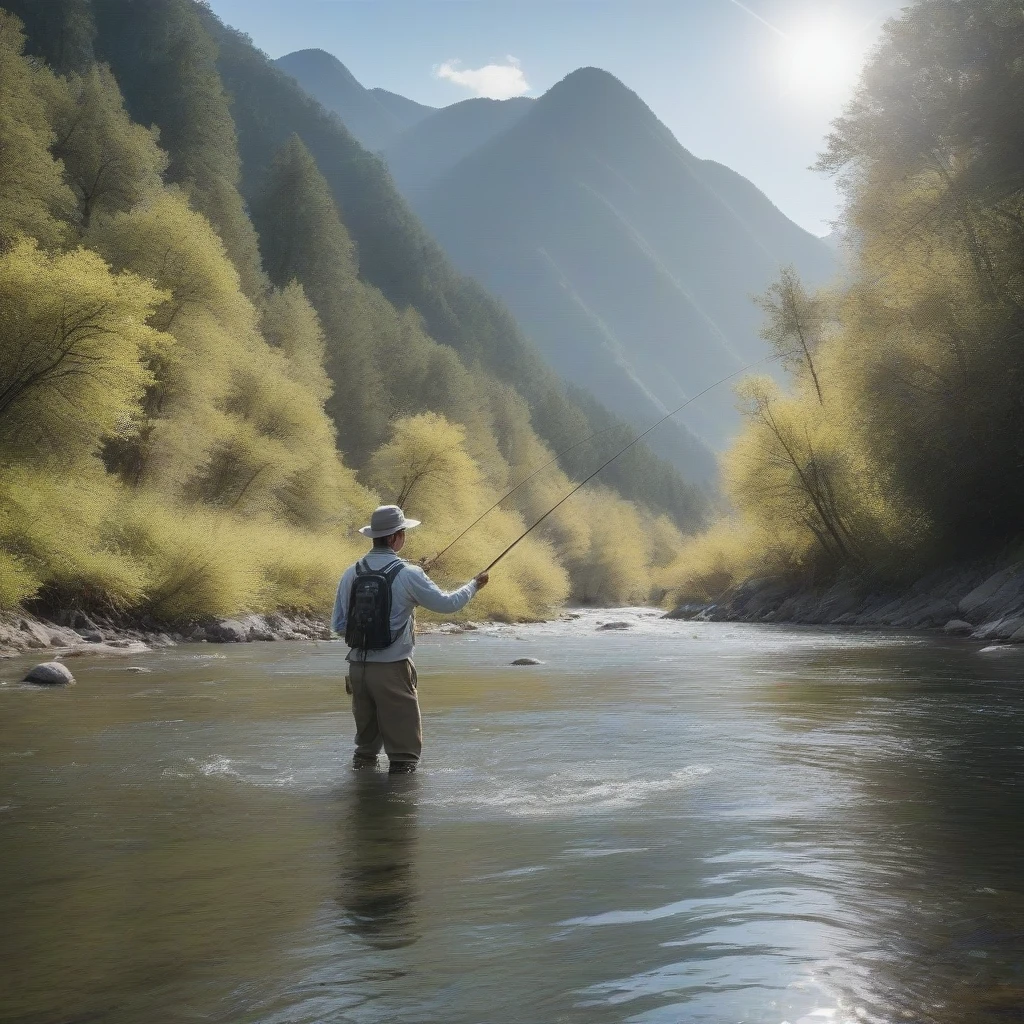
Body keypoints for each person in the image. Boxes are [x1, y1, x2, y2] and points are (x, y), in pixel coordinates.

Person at [332, 504, 488, 774]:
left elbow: (338, 625)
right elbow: (447, 604)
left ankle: (361, 803)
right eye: (403, 532)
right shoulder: (409, 574)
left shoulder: (351, 572)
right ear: (394, 538)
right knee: (404, 758)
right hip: (392, 669)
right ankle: (399, 811)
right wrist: (474, 585)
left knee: (365, 753)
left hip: (357, 670)